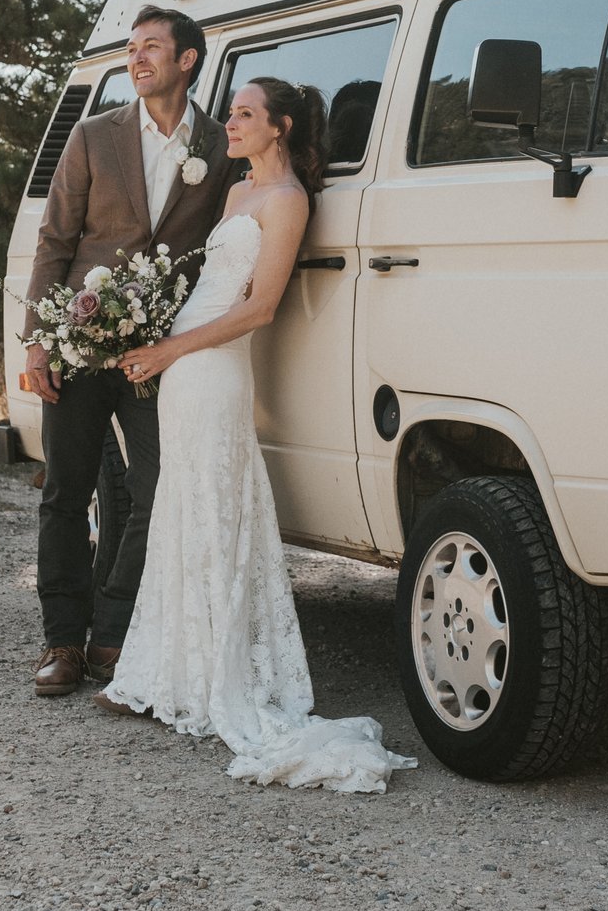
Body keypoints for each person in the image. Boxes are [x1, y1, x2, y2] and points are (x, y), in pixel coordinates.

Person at [99, 77, 417, 794]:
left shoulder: (287, 200)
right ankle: (174, 669)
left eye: (244, 114)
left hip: (214, 368)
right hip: (183, 361)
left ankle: (223, 678)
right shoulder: (236, 192)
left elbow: (260, 309)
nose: (230, 123)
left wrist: (170, 351)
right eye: (232, 113)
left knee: (217, 507)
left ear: (279, 127)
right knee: (181, 505)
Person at [23, 6, 238, 698]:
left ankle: (112, 630)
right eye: (131, 47)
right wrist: (37, 340)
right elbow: (55, 239)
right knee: (66, 492)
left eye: (151, 47)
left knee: (159, 487)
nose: (137, 58)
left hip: (158, 355)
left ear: (188, 61)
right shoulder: (93, 135)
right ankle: (62, 641)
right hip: (81, 345)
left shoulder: (219, 142)